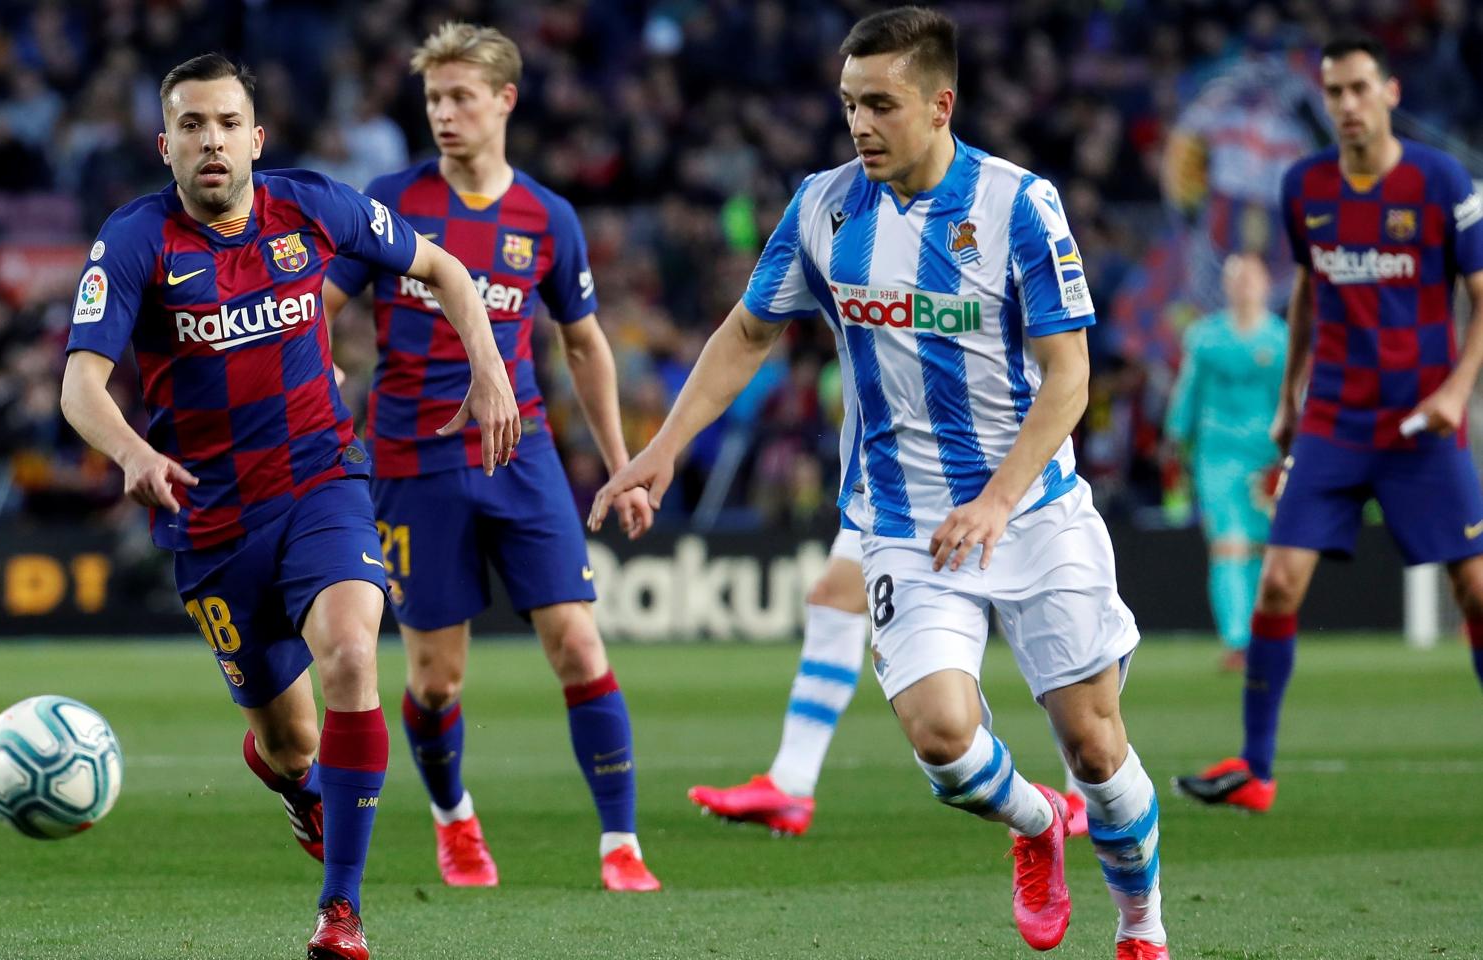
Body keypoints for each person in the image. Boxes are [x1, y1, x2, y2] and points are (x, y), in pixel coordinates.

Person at [592, 8, 1167, 957]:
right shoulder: (824, 207)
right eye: (849, 104)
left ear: (941, 107)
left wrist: (996, 499)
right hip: (903, 520)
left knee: (1098, 749)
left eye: (881, 105)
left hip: (1035, 513)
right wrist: (663, 450)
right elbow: (748, 332)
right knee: (944, 742)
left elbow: (1070, 379)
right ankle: (1035, 827)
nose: (860, 124)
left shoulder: (1019, 204)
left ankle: (1142, 928)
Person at [58, 53, 520, 960]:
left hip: (322, 483)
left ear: (256, 138)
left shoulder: (312, 204)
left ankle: (339, 913)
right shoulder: (135, 240)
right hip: (213, 524)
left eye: (227, 123)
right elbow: (80, 384)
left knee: (352, 653)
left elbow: (446, 270)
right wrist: (135, 452)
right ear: (165, 146)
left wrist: (491, 370)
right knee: (293, 745)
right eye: (191, 126)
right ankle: (294, 782)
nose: (212, 141)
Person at [321, 23, 659, 893]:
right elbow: (319, 301)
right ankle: (454, 821)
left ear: (505, 100)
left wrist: (621, 462)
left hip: (522, 454)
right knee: (435, 681)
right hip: (409, 462)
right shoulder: (391, 201)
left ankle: (621, 845)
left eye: (461, 96)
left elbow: (584, 345)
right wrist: (315, 373)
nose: (444, 114)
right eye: (434, 98)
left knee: (579, 646)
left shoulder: (546, 217)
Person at [1176, 34, 1483, 814]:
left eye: (1356, 89)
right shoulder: (1304, 186)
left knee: (1475, 591)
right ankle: (1256, 769)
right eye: (1332, 92)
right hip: (1335, 421)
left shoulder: (1441, 180)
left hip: (1421, 421)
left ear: (1390, 92)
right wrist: (1289, 401)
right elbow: (1309, 293)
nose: (1345, 104)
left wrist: (1456, 393)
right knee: (1277, 585)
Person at [687, 531, 1093, 840]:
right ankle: (790, 784)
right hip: (889, 471)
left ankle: (1081, 794)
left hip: (974, 466)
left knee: (1027, 611)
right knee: (833, 596)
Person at [1162, 253, 1287, 670]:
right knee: (1228, 545)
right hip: (1217, 454)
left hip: (1267, 458)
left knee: (1262, 549)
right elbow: (1189, 390)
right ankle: (1238, 638)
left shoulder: (1281, 339)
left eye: (1253, 277)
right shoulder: (1205, 338)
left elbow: (1292, 400)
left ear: (1267, 284)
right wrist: (1176, 439)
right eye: (1238, 278)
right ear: (1227, 286)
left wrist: (1293, 451)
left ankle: (1262, 635)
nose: (1245, 285)